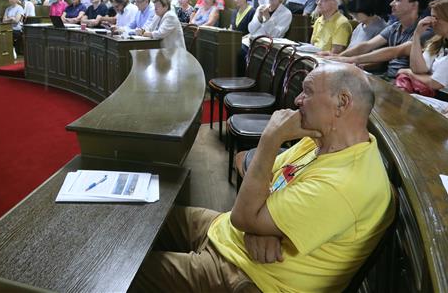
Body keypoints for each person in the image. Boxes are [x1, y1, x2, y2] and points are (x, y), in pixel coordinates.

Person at [132, 64, 393, 293]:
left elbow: (244, 213)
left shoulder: (343, 185)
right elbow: (251, 172)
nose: (299, 99)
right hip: (229, 235)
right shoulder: (320, 141)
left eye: (308, 91)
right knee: (148, 216)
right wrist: (259, 226)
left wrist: (270, 139)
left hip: (244, 275)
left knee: (125, 270)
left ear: (342, 103)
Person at [326, 0, 429, 78]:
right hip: (389, 78)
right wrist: (338, 57)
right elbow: (367, 45)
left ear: (414, 5)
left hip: (407, 83)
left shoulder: (425, 29)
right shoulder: (394, 27)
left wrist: (352, 59)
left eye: (398, 0)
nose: (391, 3)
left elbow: (395, 51)